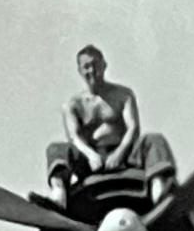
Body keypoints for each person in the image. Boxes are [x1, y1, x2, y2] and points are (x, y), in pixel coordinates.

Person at [31, 47, 176, 214]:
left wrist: (119, 153)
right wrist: (91, 155)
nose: (91, 70)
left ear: (104, 65)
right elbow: (74, 137)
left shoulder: (124, 95)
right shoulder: (73, 104)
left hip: (126, 155)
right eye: (86, 66)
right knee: (56, 148)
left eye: (95, 65)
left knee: (154, 140)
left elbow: (133, 128)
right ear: (79, 70)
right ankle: (58, 195)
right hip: (91, 160)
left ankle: (158, 190)